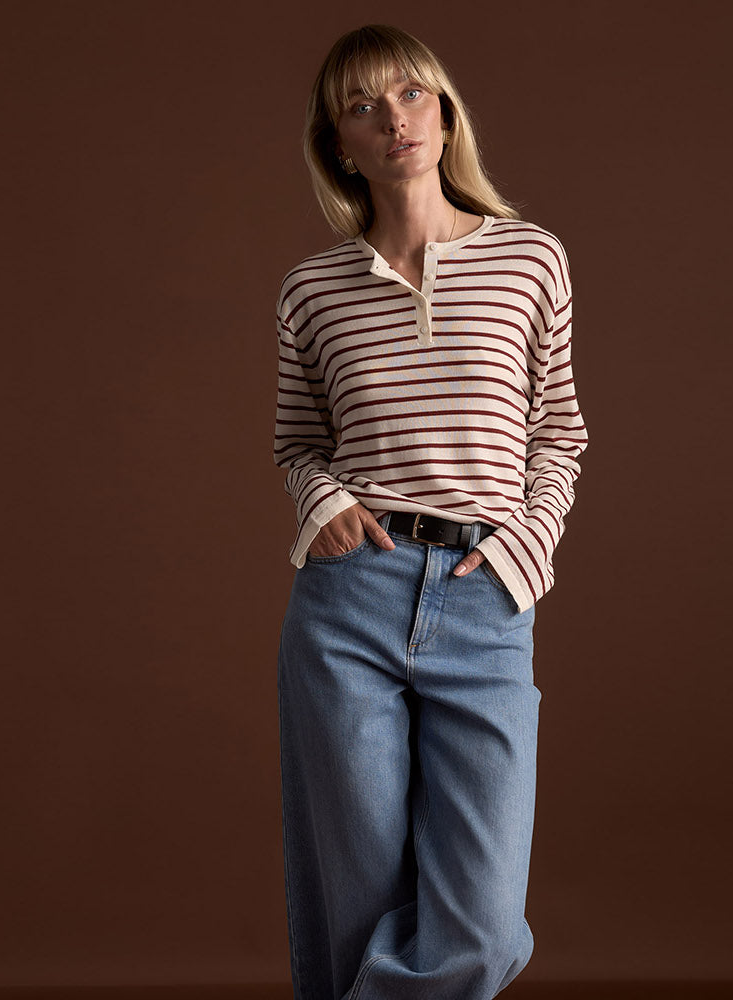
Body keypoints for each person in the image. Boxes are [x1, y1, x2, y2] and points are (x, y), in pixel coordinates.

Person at [272, 24, 588, 1000]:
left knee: (481, 923)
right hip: (348, 605)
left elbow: (559, 436)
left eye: (412, 93)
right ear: (340, 145)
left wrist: (521, 555)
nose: (394, 118)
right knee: (357, 897)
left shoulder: (530, 260)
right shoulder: (312, 289)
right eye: (363, 106)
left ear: (445, 112)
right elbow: (298, 442)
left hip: (484, 601)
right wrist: (322, 499)